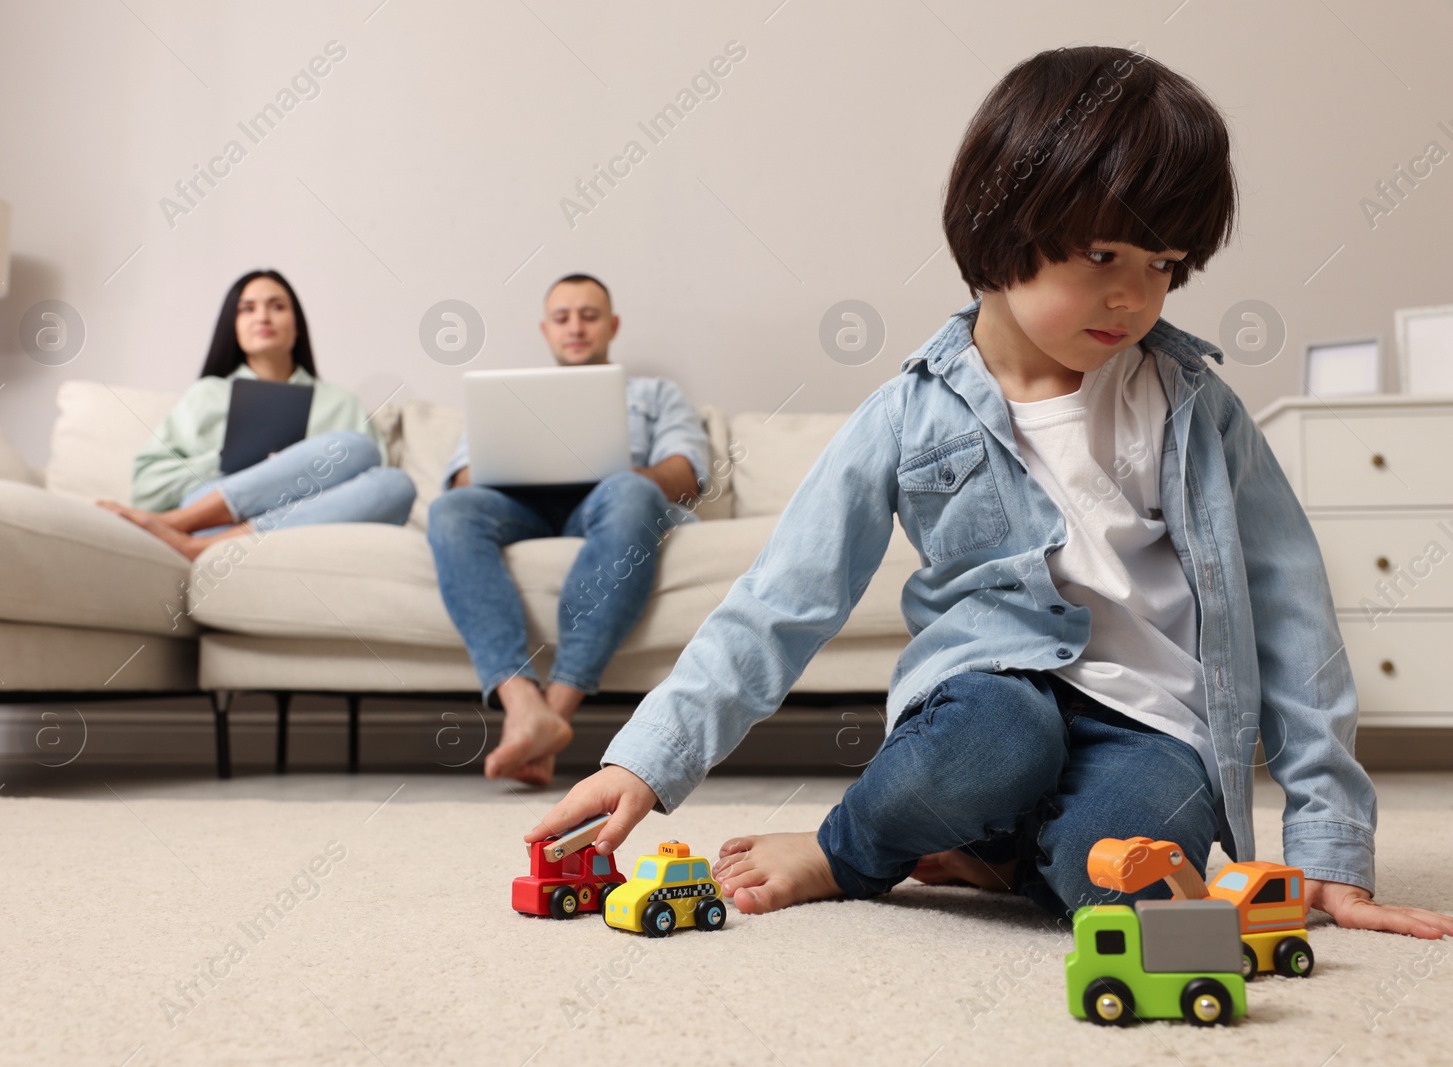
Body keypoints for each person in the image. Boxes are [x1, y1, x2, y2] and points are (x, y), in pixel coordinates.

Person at [527, 47, 1453, 941]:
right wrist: (648, 760)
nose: (1133, 296)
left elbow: (1294, 611)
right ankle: (848, 849)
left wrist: (1329, 836)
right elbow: (781, 601)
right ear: (1001, 229)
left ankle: (1000, 852)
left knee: (1141, 890)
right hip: (990, 701)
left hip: (1156, 726)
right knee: (994, 743)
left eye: (1164, 264)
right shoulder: (906, 414)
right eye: (1101, 254)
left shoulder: (1195, 410)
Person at [429, 274, 710, 788]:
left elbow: (688, 473)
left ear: (612, 325)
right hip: (521, 506)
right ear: (546, 329)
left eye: (589, 315)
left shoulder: (654, 393)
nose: (576, 327)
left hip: (611, 504)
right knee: (451, 511)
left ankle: (553, 712)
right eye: (563, 317)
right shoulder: (510, 395)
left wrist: (621, 475)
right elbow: (462, 476)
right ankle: (523, 708)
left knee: (634, 493)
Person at [101, 270, 415, 559]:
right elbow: (145, 488)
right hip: (210, 516)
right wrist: (232, 460)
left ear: (296, 325)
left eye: (277, 306)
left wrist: (293, 463)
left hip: (313, 519)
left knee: (393, 480)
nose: (263, 317)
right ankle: (177, 523)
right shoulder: (206, 394)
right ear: (233, 326)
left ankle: (196, 549)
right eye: (247, 308)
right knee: (355, 447)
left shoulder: (340, 402)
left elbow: (371, 491)